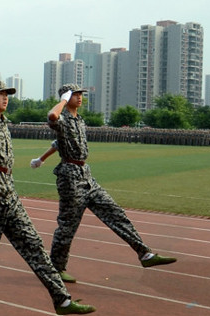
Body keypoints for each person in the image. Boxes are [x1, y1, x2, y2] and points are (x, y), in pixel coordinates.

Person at [0, 81, 96, 316]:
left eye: (7, 94)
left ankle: (62, 299)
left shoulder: (3, 124)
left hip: (8, 191)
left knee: (34, 244)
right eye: (1, 94)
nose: (6, 98)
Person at [33, 83, 177, 282]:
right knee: (67, 226)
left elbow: (59, 144)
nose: (80, 97)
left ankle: (145, 254)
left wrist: (42, 158)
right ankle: (56, 269)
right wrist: (63, 100)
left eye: (80, 94)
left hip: (86, 175)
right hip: (70, 177)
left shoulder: (79, 120)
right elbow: (52, 117)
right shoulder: (62, 119)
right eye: (75, 94)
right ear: (66, 97)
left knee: (115, 213)